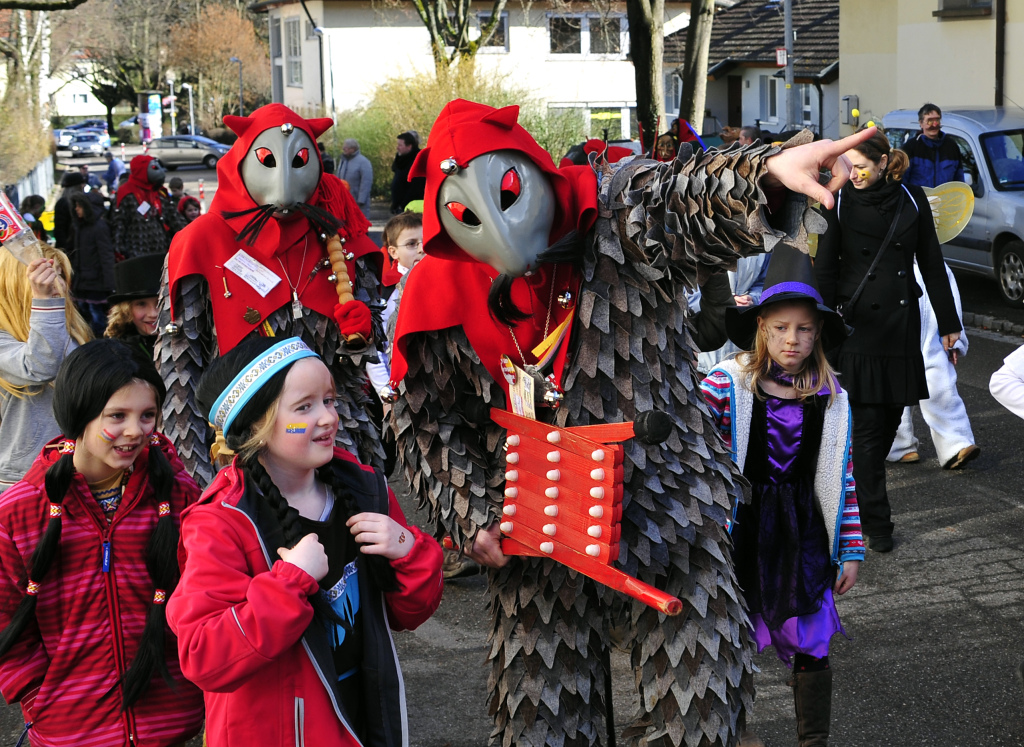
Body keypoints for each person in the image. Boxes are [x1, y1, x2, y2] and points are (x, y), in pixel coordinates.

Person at [388, 99, 877, 746]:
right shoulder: (436, 291)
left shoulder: (620, 212)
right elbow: (426, 421)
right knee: (544, 719)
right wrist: (468, 510)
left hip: (667, 506)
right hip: (537, 528)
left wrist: (764, 172)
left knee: (703, 702)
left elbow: (685, 198)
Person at [166, 336, 443, 747]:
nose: (329, 417)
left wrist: (411, 551)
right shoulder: (221, 522)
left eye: (329, 400)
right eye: (304, 408)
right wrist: (289, 582)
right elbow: (204, 655)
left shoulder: (365, 490)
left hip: (360, 716)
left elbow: (407, 614)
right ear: (257, 426)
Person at [156, 104, 386, 490]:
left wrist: (365, 329)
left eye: (298, 160)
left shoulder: (335, 236)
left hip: (337, 445)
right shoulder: (201, 242)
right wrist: (197, 479)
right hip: (246, 457)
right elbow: (180, 372)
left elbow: (359, 361)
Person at [0, 339, 205, 746]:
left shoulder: (180, 496)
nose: (135, 431)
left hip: (173, 722)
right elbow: (6, 619)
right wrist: (38, 697)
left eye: (148, 415)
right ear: (79, 414)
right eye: (118, 415)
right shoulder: (19, 512)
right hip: (68, 728)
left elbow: (202, 600)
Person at [701, 244, 864, 747]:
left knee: (812, 636)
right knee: (733, 636)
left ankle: (813, 739)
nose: (792, 340)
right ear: (761, 328)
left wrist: (851, 550)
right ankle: (739, 732)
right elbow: (691, 443)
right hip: (740, 528)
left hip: (802, 530)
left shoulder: (831, 399)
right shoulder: (726, 385)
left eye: (804, 329)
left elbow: (844, 478)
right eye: (780, 328)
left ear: (818, 333)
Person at [814, 131, 961, 553]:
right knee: (865, 433)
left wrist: (950, 323)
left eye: (861, 166)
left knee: (889, 423)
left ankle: (853, 501)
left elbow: (932, 265)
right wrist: (821, 330)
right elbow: (825, 270)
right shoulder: (838, 201)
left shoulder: (911, 199)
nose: (854, 174)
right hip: (856, 331)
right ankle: (876, 525)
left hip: (900, 329)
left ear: (882, 164)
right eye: (849, 167)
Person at [0, 244, 92, 493]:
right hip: (24, 477)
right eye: (47, 275)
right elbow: (40, 366)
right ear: (17, 283)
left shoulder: (71, 330)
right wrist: (44, 301)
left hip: (77, 467)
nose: (58, 283)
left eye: (60, 274)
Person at [886, 260, 979, 469]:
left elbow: (952, 301)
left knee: (942, 389)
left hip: (934, 341)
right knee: (895, 394)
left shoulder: (938, 267)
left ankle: (956, 444)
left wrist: (956, 339)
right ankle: (897, 444)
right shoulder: (884, 262)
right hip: (895, 340)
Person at [697, 252, 771, 373]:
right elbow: (686, 290)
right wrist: (723, 300)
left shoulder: (762, 243)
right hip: (703, 358)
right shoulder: (697, 238)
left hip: (745, 352)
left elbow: (765, 282)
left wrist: (753, 299)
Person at [69, 190, 115, 337]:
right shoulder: (79, 227)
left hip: (95, 283)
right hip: (82, 282)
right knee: (84, 315)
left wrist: (110, 284)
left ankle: (101, 343)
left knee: (97, 317)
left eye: (79, 206)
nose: (76, 209)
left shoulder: (99, 227)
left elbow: (106, 255)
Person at [105, 252, 165, 358]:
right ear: (126, 310)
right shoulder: (116, 354)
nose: (153, 313)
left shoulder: (191, 341)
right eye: (141, 304)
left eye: (160, 302)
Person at [901, 104, 965, 188]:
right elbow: (902, 182)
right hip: (920, 200)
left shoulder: (952, 147)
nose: (934, 125)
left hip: (946, 200)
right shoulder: (910, 148)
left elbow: (959, 181)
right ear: (921, 123)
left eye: (937, 120)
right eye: (930, 121)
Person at [390, 132, 425, 214]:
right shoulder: (402, 160)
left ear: (409, 146)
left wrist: (402, 205)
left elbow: (416, 188)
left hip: (411, 208)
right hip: (400, 206)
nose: (397, 148)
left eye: (400, 145)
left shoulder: (417, 161)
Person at [337, 138, 373, 217]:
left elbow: (366, 182)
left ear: (353, 149)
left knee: (359, 225)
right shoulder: (342, 161)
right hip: (343, 201)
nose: (343, 149)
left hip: (357, 202)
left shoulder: (363, 162)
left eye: (346, 147)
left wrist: (361, 200)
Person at [52, 171, 85, 251]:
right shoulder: (65, 203)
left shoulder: (62, 202)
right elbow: (60, 230)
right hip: (72, 246)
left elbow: (59, 229)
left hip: (72, 246)